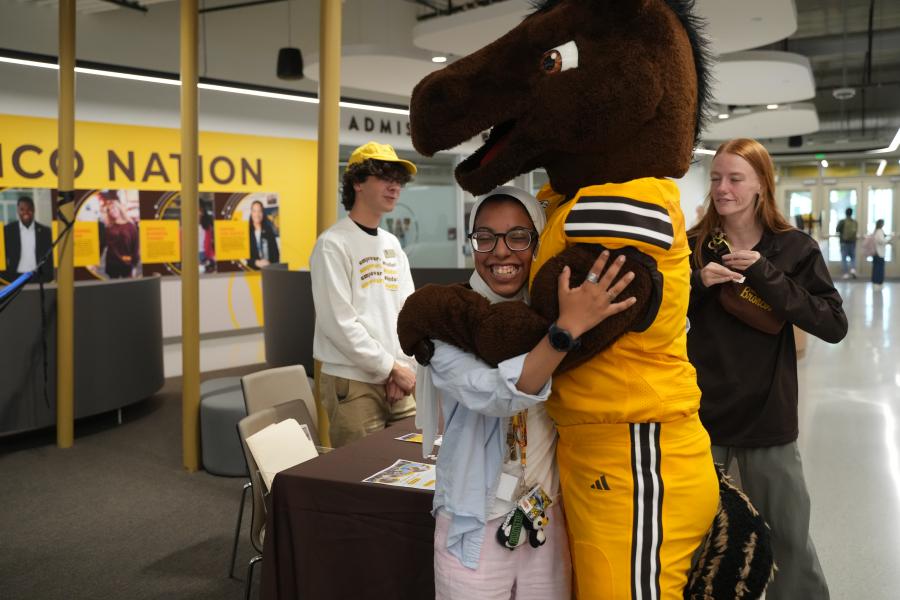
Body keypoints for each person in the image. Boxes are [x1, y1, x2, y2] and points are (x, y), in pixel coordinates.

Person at [418, 187, 636, 600]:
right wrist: (565, 334)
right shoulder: (447, 318)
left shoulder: (551, 309)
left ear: (538, 242)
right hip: (474, 522)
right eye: (486, 237)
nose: (501, 252)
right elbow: (493, 395)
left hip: (544, 518)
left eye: (518, 236)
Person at [686, 138, 848, 600]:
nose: (723, 188)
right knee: (701, 545)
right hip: (700, 419)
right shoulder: (695, 246)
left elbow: (832, 324)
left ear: (761, 184)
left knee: (789, 544)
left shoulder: (793, 249)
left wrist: (764, 273)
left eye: (735, 178)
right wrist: (698, 283)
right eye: (716, 177)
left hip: (767, 420)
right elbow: (658, 315)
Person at [310, 141, 419, 448]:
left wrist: (401, 367)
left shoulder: (392, 244)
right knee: (361, 479)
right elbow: (338, 323)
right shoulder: (333, 244)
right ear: (357, 182)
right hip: (353, 382)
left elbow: (407, 310)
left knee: (411, 466)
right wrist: (391, 368)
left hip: (396, 379)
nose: (394, 187)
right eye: (385, 177)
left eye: (398, 180)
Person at [3, 195, 53, 283]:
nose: (26, 212)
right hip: (14, 277)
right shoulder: (7, 231)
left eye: (29, 209)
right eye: (22, 209)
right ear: (18, 211)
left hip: (38, 277)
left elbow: (50, 256)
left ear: (34, 210)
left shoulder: (45, 231)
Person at [101, 199, 139, 279]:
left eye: (113, 208)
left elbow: (135, 247)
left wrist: (134, 265)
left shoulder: (130, 226)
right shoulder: (109, 227)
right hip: (112, 264)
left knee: (128, 289)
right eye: (109, 210)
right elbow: (102, 245)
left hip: (127, 263)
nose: (111, 211)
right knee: (114, 289)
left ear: (119, 209)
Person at [247, 199, 279, 269]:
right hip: (252, 272)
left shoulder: (268, 230)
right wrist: (256, 262)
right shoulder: (247, 232)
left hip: (269, 271)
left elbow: (275, 253)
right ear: (251, 213)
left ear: (263, 213)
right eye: (254, 211)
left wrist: (271, 265)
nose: (257, 214)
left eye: (259, 211)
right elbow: (244, 257)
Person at [836, 206, 859, 279]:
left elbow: (837, 230)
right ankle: (852, 269)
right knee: (853, 258)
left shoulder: (842, 221)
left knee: (844, 258)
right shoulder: (855, 222)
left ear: (845, 213)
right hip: (852, 242)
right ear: (852, 213)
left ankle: (845, 273)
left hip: (844, 242)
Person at [871, 219, 890, 291]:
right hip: (879, 253)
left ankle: (876, 283)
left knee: (876, 268)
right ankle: (878, 283)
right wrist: (888, 240)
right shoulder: (879, 231)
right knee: (879, 269)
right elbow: (881, 241)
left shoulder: (876, 231)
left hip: (877, 253)